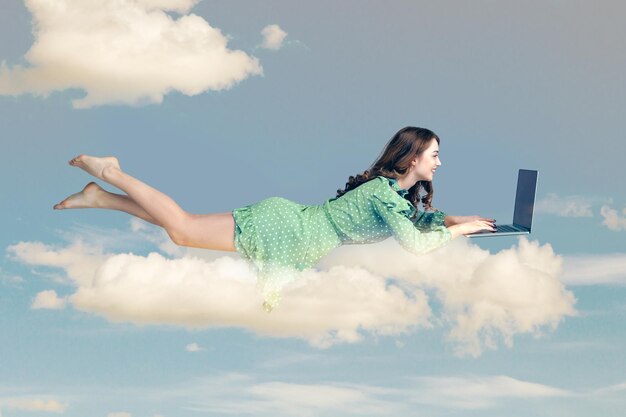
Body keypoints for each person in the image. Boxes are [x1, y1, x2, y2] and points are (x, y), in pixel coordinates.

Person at [54, 126, 496, 312]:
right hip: (289, 229)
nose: (439, 163)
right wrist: (460, 229)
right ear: (414, 156)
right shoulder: (384, 194)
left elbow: (418, 223)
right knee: (183, 227)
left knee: (183, 232)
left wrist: (458, 219)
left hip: (294, 227)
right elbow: (416, 244)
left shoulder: (393, 196)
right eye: (435, 155)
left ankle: (102, 198)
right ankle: (110, 172)